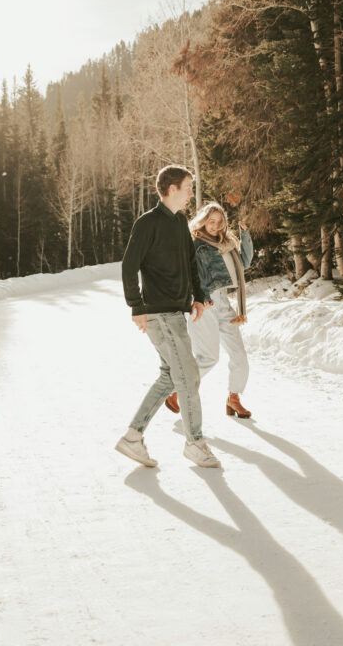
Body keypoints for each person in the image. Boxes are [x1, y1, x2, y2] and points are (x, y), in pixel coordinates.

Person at [115, 165, 221, 469]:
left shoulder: (178, 222)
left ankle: (133, 437)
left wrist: (198, 296)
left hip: (176, 311)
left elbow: (189, 262)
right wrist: (136, 306)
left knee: (170, 376)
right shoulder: (147, 223)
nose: (191, 192)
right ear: (172, 189)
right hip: (158, 313)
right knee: (188, 376)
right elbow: (128, 266)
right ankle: (195, 443)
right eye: (188, 187)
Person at [165, 201, 254, 420]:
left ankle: (234, 398)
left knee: (239, 356)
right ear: (203, 221)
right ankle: (177, 392)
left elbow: (244, 264)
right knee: (208, 357)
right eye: (211, 221)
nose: (215, 226)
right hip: (202, 305)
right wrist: (199, 297)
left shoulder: (228, 245)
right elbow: (186, 274)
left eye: (219, 221)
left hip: (223, 303)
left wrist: (245, 237)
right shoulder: (194, 244)